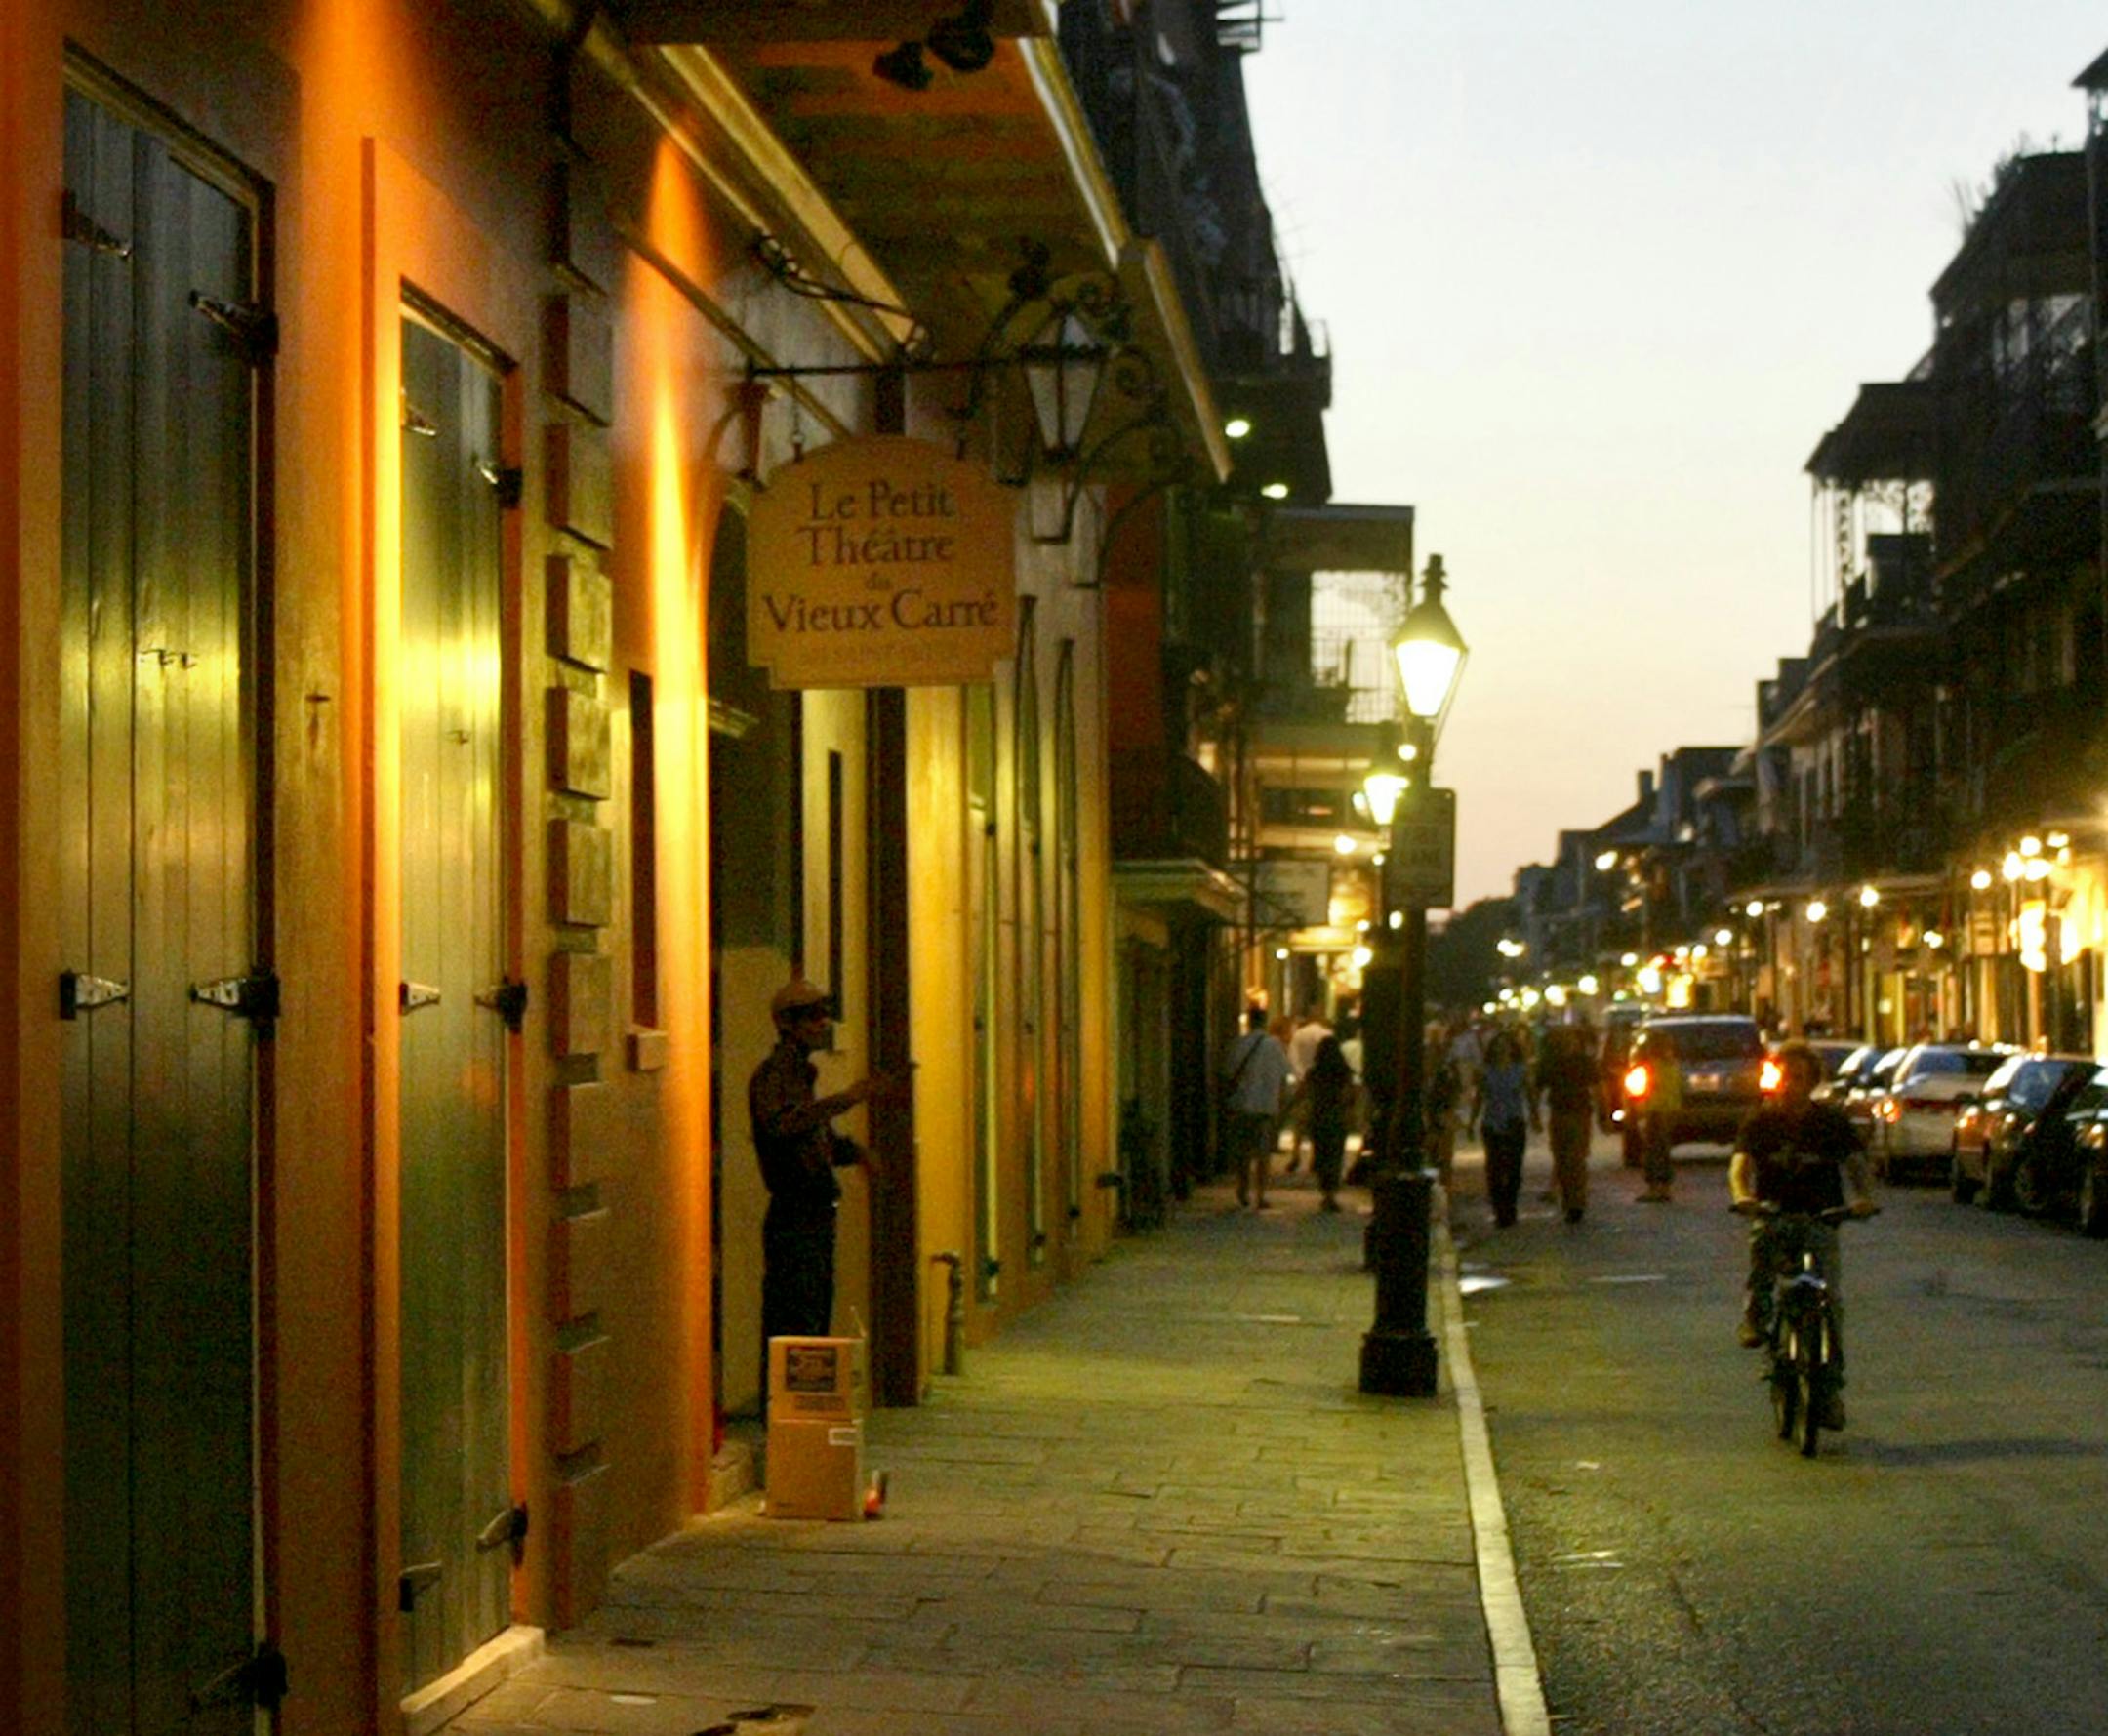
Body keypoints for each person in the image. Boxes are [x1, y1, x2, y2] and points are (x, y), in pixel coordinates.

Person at [1727, 1040, 1876, 1424]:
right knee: (1762, 1250)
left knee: (1830, 1302)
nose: (1792, 1084)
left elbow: (1856, 1164)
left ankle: (1829, 1391)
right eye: (1787, 1076)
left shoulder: (1831, 1121)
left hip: (1820, 1217)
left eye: (1801, 1077)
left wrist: (1863, 1198)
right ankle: (1756, 1316)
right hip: (1774, 1213)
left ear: (1813, 1082)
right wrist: (1743, 1197)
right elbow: (1740, 1166)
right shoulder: (1760, 1121)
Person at [749, 979, 896, 1355]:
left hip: (813, 1214)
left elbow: (819, 1140)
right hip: (795, 1217)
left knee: (811, 1318)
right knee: (794, 1322)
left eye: (823, 1015)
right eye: (812, 1017)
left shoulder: (800, 1075)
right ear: (788, 1023)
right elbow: (783, 1124)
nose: (822, 1023)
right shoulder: (775, 1075)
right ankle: (783, 1392)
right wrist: (847, 1098)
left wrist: (858, 1152)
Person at [1220, 1006, 1294, 1209]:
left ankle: (1243, 1189)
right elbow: (1284, 1076)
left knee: (1243, 1151)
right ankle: (1261, 1195)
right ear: (1265, 1022)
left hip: (1242, 1104)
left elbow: (1228, 1072)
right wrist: (1281, 1102)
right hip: (1266, 1106)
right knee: (1263, 1153)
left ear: (1249, 1022)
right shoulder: (1274, 1046)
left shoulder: (1239, 1044)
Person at [1534, 1022, 1597, 1223]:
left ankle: (1577, 1202)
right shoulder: (1550, 1063)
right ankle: (1569, 1199)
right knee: (1561, 1158)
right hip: (1559, 1112)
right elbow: (1538, 1089)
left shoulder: (1584, 1062)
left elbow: (1598, 1087)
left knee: (1577, 1158)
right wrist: (1535, 1115)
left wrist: (1604, 1114)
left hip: (1580, 1113)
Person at [1474, 1029, 1537, 1228]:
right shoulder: (1486, 1071)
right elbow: (1479, 1097)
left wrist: (1535, 1116)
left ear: (1512, 1049)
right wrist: (1472, 1121)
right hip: (1492, 1123)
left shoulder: (1521, 1070)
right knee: (1494, 1167)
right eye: (1498, 1046)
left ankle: (1510, 1206)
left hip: (1514, 1121)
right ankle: (1499, 1208)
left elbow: (1530, 1094)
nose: (1502, 1050)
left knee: (1513, 1167)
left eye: (1505, 1046)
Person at [1302, 1034, 1358, 1212]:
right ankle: (1331, 1193)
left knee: (1321, 1152)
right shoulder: (1344, 1072)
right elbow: (1350, 1094)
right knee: (1335, 1154)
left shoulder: (1313, 1072)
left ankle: (1325, 1189)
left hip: (1318, 1115)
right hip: (1336, 1116)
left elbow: (1306, 1094)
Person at [1285, 1004, 1334, 1172]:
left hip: (1303, 1084)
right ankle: (1315, 1156)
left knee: (1300, 1122)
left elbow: (1292, 1057)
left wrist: (1300, 1077)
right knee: (1317, 1121)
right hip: (1322, 1084)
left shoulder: (1299, 1034)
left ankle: (1296, 1155)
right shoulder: (1326, 1034)